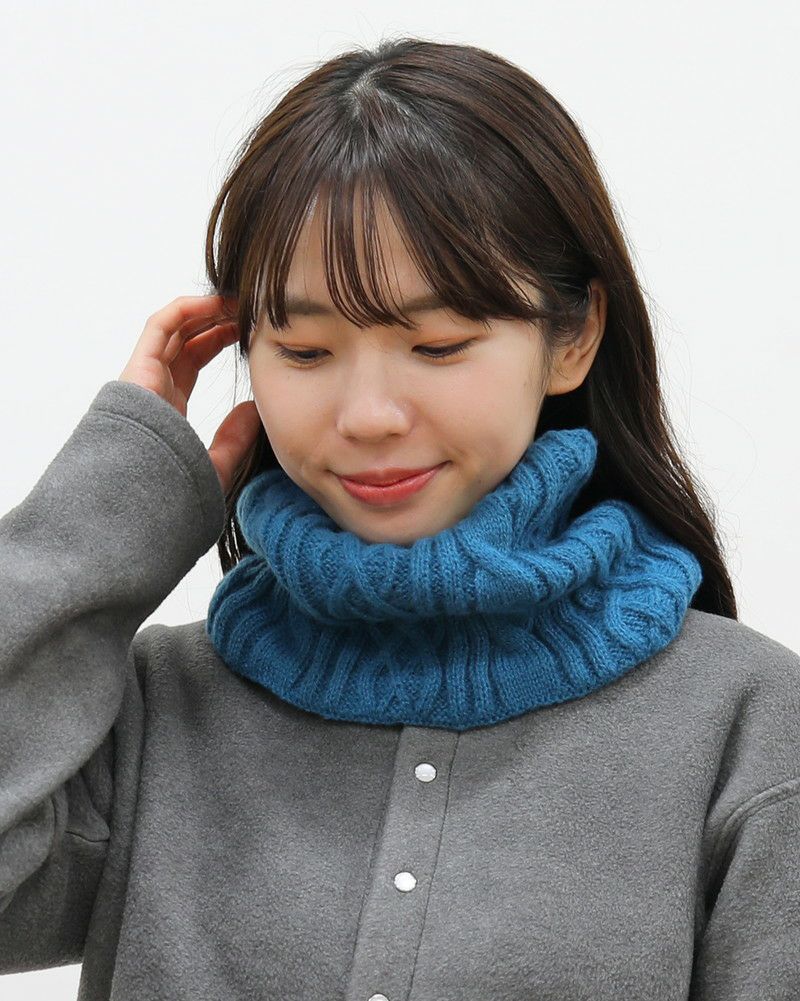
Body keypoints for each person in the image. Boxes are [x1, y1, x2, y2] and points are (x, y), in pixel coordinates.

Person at [2, 35, 799, 1001]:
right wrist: (116, 500)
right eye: (303, 351)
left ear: (574, 336)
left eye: (437, 343)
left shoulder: (748, 724)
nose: (369, 414)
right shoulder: (150, 714)